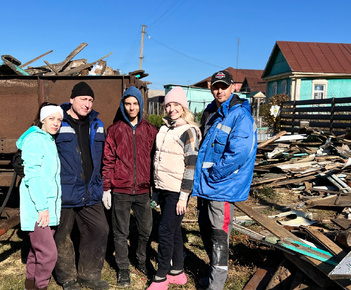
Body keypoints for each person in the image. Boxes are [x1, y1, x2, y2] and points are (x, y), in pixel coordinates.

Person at [192, 70, 257, 290]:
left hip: (222, 186)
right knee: (207, 231)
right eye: (215, 87)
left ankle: (216, 285)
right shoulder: (211, 111)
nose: (219, 91)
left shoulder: (240, 115)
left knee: (219, 236)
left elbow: (239, 153)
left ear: (233, 87)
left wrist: (215, 174)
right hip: (205, 184)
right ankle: (212, 276)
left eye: (223, 86)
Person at [53, 81, 110, 290]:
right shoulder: (57, 121)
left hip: (90, 190)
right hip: (65, 190)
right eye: (83, 99)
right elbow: (37, 139)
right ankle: (67, 278)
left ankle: (89, 274)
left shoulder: (97, 123)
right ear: (72, 100)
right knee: (61, 235)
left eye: (90, 100)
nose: (87, 104)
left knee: (100, 229)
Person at [101, 86, 158, 287]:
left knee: (145, 230)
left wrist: (156, 189)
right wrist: (107, 187)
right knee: (120, 232)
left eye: (135, 104)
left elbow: (156, 161)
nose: (131, 108)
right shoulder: (115, 130)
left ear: (140, 105)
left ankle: (141, 260)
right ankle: (123, 268)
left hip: (143, 190)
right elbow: (108, 160)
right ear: (122, 105)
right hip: (121, 190)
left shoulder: (150, 130)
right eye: (127, 103)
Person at [147, 87, 201, 290]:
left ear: (183, 107)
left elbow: (191, 166)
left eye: (176, 105)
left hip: (177, 190)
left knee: (165, 232)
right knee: (174, 230)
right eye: (168, 105)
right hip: (163, 187)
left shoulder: (189, 131)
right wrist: (156, 189)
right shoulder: (165, 128)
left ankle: (160, 278)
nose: (171, 109)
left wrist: (183, 197)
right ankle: (177, 271)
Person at [16, 102, 63, 290]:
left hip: (47, 206)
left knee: (37, 251)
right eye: (51, 118)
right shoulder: (35, 140)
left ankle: (31, 284)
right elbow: (32, 176)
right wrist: (42, 207)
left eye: (59, 119)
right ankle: (40, 286)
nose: (56, 123)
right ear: (42, 119)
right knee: (49, 253)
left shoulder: (48, 140)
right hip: (38, 207)